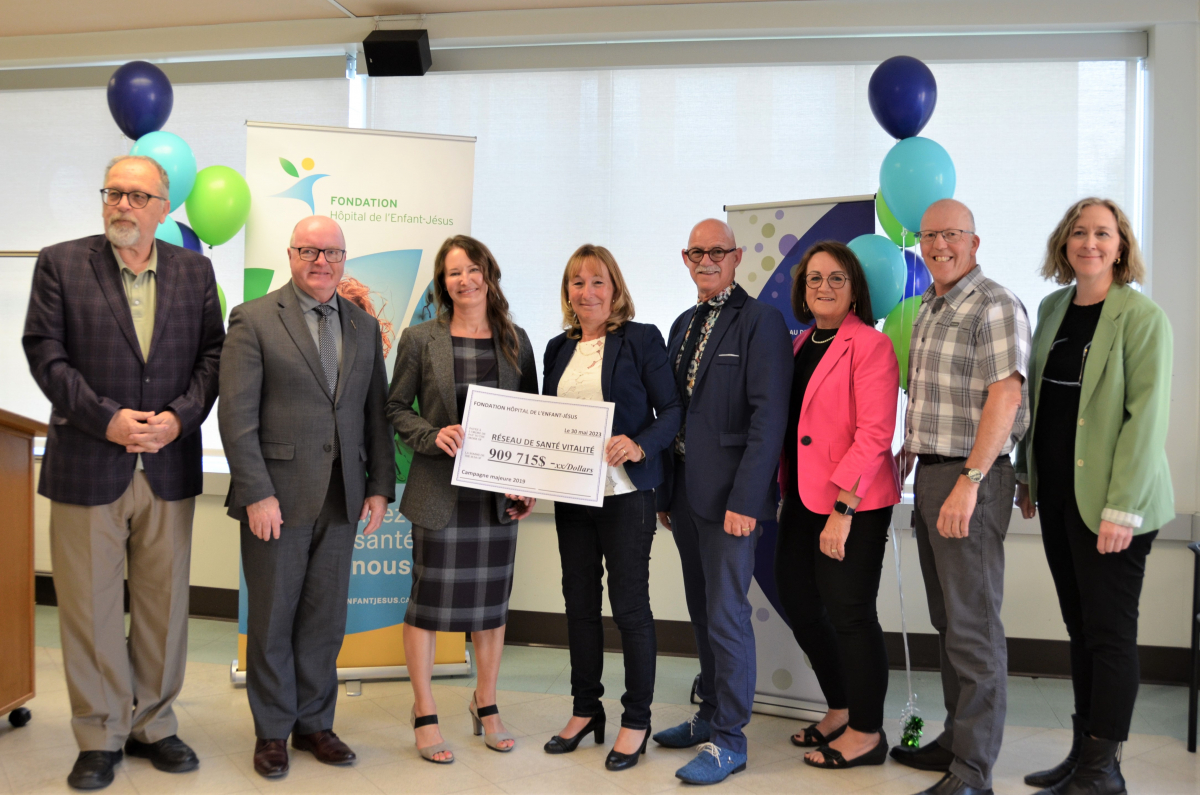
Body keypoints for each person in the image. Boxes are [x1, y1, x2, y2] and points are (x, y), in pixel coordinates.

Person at [22, 155, 224, 790]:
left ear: (165, 209)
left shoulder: (195, 271)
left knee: (164, 605)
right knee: (90, 607)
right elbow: (45, 353)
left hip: (169, 461)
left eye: (139, 197)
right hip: (88, 458)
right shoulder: (61, 262)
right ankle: (100, 732)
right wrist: (106, 419)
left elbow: (214, 355)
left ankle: (154, 726)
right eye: (114, 193)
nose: (123, 206)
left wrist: (180, 418)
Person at [219, 216, 395, 779]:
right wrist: (256, 492)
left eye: (333, 253)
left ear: (346, 259)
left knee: (325, 620)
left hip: (344, 497)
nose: (322, 262)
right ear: (291, 254)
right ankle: (272, 731)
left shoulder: (363, 327)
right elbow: (237, 417)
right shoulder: (253, 319)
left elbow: (375, 415)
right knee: (272, 619)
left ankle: (315, 723)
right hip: (276, 498)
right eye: (310, 251)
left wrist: (379, 488)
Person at [1014, 198, 1172, 795]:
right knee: (1080, 629)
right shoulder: (1054, 308)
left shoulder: (1142, 317)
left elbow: (1145, 420)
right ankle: (1084, 755)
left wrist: (1122, 508)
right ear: (1064, 243)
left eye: (1102, 233)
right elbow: (1040, 405)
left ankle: (1103, 769)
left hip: (1115, 508)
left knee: (1109, 634)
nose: (1090, 243)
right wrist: (1027, 476)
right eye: (1079, 232)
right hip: (1058, 498)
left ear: (1121, 245)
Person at [891, 199, 1030, 795]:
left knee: (972, 630)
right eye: (929, 236)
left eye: (951, 234)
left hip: (972, 479)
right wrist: (912, 447)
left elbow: (1006, 396)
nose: (938, 245)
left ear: (975, 241)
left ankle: (973, 775)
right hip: (934, 474)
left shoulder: (994, 303)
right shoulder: (930, 304)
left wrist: (971, 482)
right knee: (948, 621)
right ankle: (956, 740)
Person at [386, 235, 538, 763]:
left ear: (489, 274)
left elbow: (531, 421)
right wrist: (432, 436)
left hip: (496, 498)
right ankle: (424, 712)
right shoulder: (419, 338)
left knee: (491, 610)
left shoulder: (516, 340)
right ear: (442, 282)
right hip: (438, 493)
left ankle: (485, 703)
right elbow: (394, 408)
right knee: (426, 607)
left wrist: (529, 485)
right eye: (454, 273)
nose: (465, 280)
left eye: (473, 269)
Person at [652, 219, 793, 785]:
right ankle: (709, 714)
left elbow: (769, 420)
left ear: (736, 257)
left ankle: (730, 738)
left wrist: (748, 498)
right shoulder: (683, 323)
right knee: (702, 609)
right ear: (684, 258)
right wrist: (665, 491)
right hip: (685, 492)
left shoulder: (761, 321)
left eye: (717, 251)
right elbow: (672, 414)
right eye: (696, 252)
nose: (706, 260)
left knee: (728, 616)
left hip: (732, 499)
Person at [541, 245, 682, 771]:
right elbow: (546, 423)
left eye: (597, 281)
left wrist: (640, 444)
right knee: (578, 604)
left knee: (629, 609)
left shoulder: (641, 339)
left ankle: (636, 719)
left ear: (615, 289)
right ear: (568, 293)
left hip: (626, 494)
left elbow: (670, 410)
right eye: (577, 283)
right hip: (572, 495)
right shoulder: (557, 348)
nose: (587, 292)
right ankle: (584, 710)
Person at [772, 241, 901, 770]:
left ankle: (868, 733)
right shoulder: (800, 343)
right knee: (801, 604)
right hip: (803, 497)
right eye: (814, 279)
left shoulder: (871, 346)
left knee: (850, 614)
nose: (824, 287)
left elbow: (875, 434)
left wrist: (842, 511)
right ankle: (841, 707)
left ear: (854, 289)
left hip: (855, 503)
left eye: (836, 278)